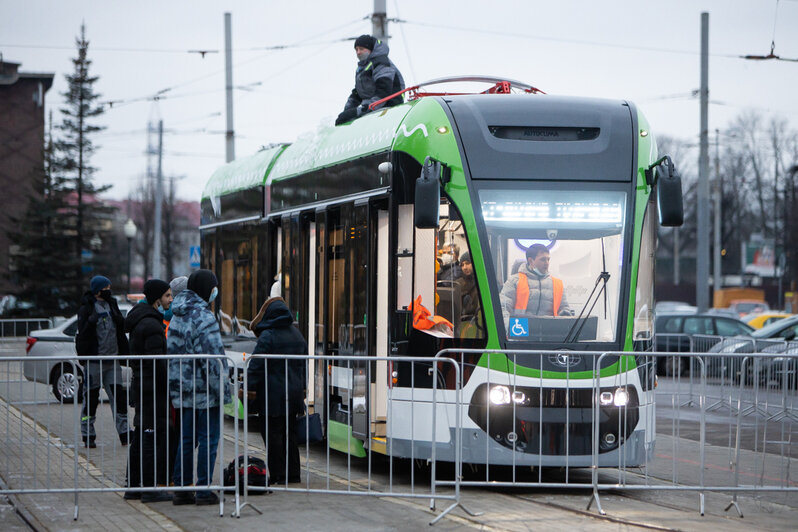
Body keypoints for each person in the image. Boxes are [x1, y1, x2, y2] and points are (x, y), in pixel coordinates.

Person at [168, 269, 231, 506]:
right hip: (205, 392)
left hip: (182, 390)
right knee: (208, 439)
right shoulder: (203, 317)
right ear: (207, 289)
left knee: (186, 439)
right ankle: (204, 489)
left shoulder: (177, 314)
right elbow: (213, 360)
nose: (216, 291)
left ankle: (182, 489)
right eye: (214, 287)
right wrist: (223, 391)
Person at [246, 297, 307, 485]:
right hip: (294, 395)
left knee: (273, 436)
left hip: (272, 396)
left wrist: (249, 388)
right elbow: (302, 365)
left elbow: (255, 365)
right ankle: (294, 474)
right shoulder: (297, 335)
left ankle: (278, 474)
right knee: (290, 435)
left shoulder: (268, 336)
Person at [124, 279, 173, 503]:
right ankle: (150, 488)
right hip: (152, 388)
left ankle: (133, 486)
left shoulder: (140, 319)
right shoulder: (152, 325)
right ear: (157, 299)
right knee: (150, 437)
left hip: (142, 385)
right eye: (167, 296)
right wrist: (169, 384)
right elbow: (158, 364)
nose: (170, 300)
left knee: (141, 434)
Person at [75, 275, 131, 448]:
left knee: (119, 399)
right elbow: (82, 334)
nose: (109, 291)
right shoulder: (87, 309)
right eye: (106, 288)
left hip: (112, 362)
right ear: (98, 290)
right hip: (94, 363)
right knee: (90, 400)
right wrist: (91, 322)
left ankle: (125, 433)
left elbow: (122, 327)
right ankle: (88, 434)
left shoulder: (112, 304)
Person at [499, 244, 574, 329]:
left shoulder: (557, 283)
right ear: (531, 261)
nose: (547, 263)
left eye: (548, 259)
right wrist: (507, 329)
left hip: (549, 332)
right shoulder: (514, 281)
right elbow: (503, 308)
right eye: (543, 259)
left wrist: (565, 314)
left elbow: (564, 308)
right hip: (521, 330)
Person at [335, 34, 405, 126]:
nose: (358, 52)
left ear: (370, 49)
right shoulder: (362, 68)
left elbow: (383, 92)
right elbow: (358, 93)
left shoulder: (381, 63)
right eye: (356, 49)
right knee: (344, 118)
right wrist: (347, 112)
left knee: (355, 115)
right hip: (373, 107)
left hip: (389, 106)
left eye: (361, 49)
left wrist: (362, 110)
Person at [455, 252, 479, 317]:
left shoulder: (481, 283)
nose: (465, 267)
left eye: (467, 263)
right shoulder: (458, 284)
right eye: (462, 265)